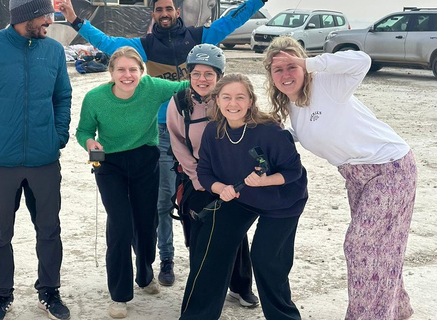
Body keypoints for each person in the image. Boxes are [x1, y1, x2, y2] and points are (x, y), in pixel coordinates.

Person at [59, 0, 268, 286]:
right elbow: (107, 43)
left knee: (219, 194)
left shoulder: (197, 38)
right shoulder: (144, 45)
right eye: (159, 10)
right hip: (160, 131)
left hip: (199, 127)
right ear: (153, 14)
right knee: (162, 199)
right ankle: (166, 258)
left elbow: (232, 19)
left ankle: (235, 277)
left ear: (177, 12)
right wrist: (74, 19)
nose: (165, 14)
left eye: (169, 8)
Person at [263, 37, 417, 320]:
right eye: (278, 70)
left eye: (292, 66)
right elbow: (311, 131)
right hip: (356, 176)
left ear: (304, 66)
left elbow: (362, 62)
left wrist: (311, 63)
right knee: (383, 247)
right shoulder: (292, 106)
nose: (286, 75)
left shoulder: (327, 84)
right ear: (270, 76)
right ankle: (397, 310)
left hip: (389, 168)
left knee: (360, 246)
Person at [0, 0, 72, 319]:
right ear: (26, 15)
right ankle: (0, 296)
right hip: (0, 161)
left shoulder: (52, 50)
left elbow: (62, 96)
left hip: (44, 159)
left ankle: (49, 291)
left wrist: (58, 135)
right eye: (46, 15)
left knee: (49, 229)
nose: (51, 20)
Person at [180, 74, 308, 320]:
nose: (233, 103)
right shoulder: (212, 132)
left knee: (266, 260)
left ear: (250, 101)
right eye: (226, 97)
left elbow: (294, 172)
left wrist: (264, 181)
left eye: (240, 97)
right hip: (241, 198)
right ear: (217, 100)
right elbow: (204, 172)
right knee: (211, 245)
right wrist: (220, 188)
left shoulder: (270, 131)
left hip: (282, 201)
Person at [75, 46, 188, 319]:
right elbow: (84, 131)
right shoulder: (95, 98)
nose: (128, 75)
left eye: (133, 69)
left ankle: (145, 274)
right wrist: (90, 142)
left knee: (146, 224)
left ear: (142, 72)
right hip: (109, 164)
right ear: (111, 72)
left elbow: (190, 84)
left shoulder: (153, 88)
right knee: (120, 225)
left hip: (144, 160)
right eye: (121, 70)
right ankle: (119, 294)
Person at [167, 44, 259, 308]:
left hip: (232, 179)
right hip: (195, 179)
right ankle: (201, 288)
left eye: (209, 74)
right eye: (196, 73)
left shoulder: (228, 99)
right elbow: (178, 143)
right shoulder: (180, 103)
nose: (202, 79)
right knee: (200, 235)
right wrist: (200, 181)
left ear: (219, 76)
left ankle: (240, 285)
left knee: (235, 232)